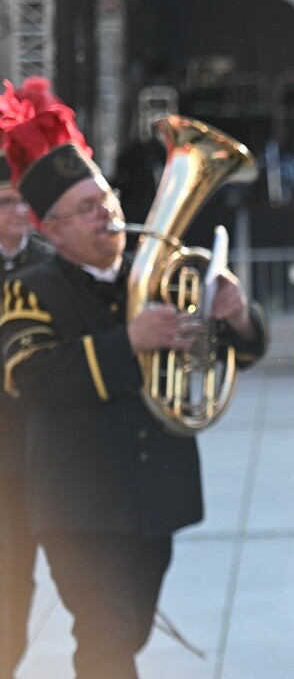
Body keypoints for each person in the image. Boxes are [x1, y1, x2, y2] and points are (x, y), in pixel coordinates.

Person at [0, 76, 268, 679]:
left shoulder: (162, 271)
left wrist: (234, 314)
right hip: (78, 503)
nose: (109, 215)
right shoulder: (28, 289)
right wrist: (130, 342)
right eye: (87, 210)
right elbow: (30, 374)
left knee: (130, 629)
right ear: (52, 230)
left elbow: (233, 356)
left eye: (108, 199)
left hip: (156, 494)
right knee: (106, 639)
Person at [0, 107, 54, 679]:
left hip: (40, 450)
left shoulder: (49, 264)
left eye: (23, 202)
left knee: (22, 577)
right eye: (5, 203)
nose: (18, 214)